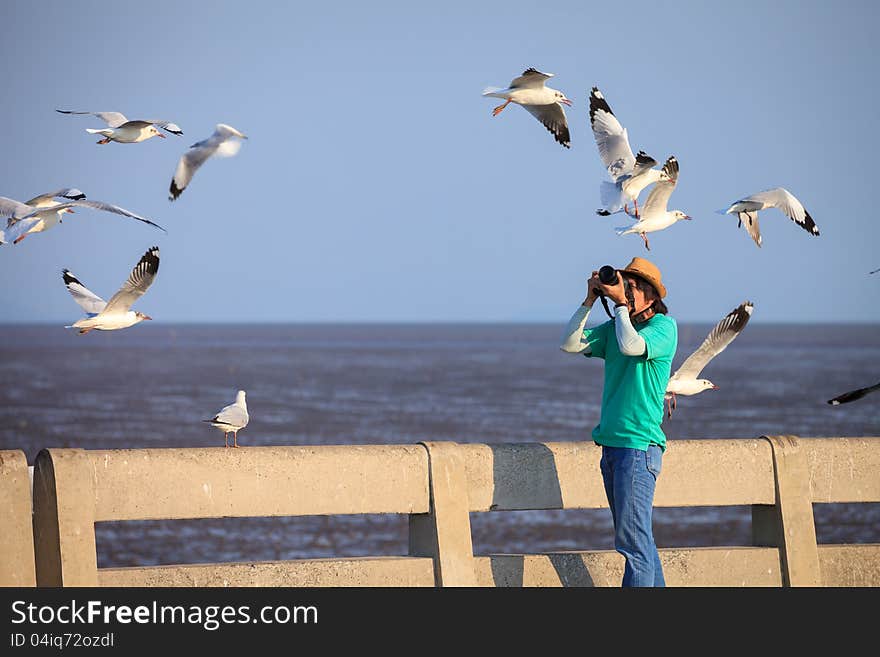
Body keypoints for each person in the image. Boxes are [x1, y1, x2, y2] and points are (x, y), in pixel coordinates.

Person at [560, 257, 677, 587]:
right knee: (641, 543)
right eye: (626, 284)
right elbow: (569, 343)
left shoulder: (663, 329)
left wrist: (621, 305)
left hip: (638, 449)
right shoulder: (615, 328)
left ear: (653, 296)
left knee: (634, 547)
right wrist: (589, 301)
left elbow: (631, 346)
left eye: (635, 287)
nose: (627, 291)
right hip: (613, 449)